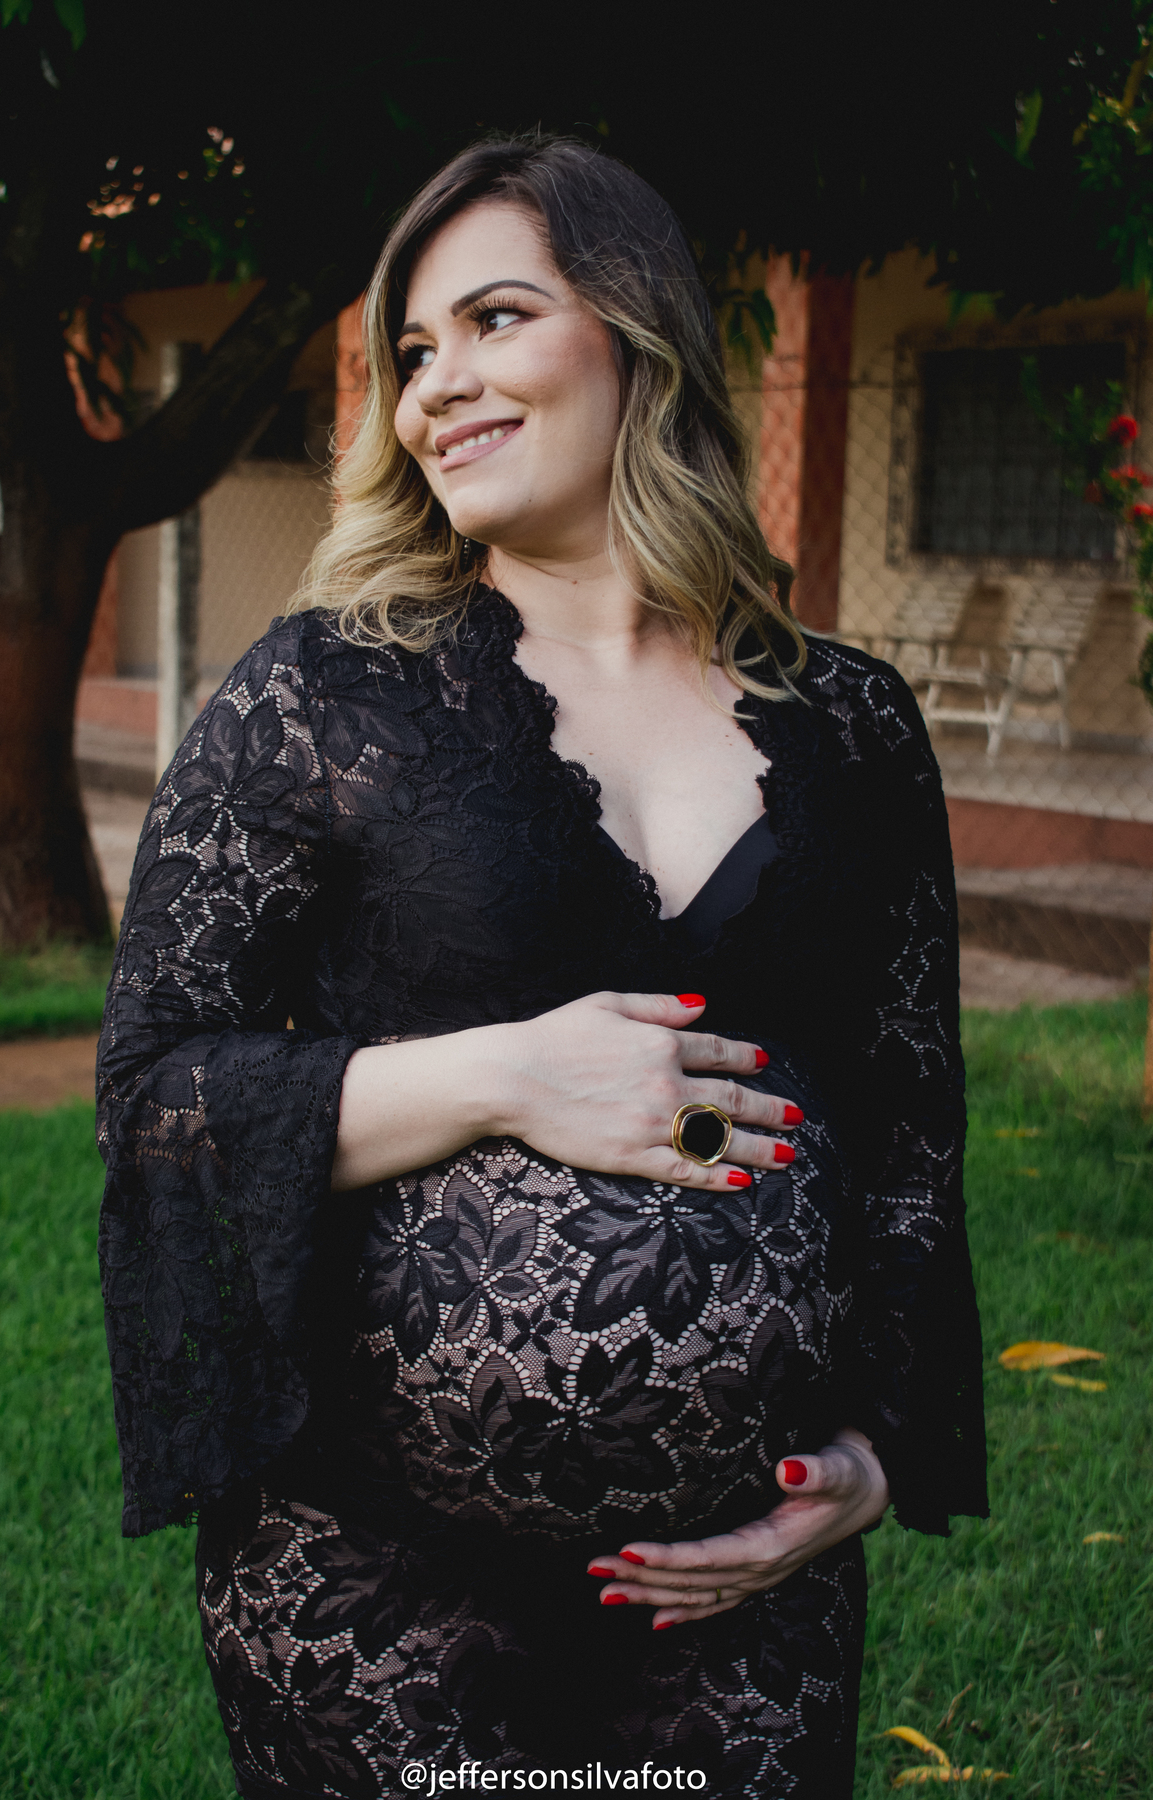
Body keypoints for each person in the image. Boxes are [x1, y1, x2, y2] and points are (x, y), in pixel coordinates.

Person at [97, 135, 987, 1799]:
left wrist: (871, 1451)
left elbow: (908, 1120)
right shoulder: (322, 696)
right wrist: (506, 1076)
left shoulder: (856, 726)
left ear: (637, 334)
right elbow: (154, 1100)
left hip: (748, 1585)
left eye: (494, 319)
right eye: (412, 351)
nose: (436, 387)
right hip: (374, 1573)